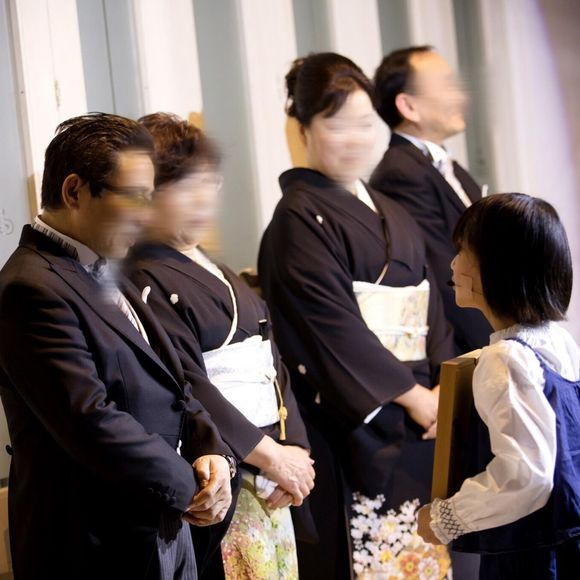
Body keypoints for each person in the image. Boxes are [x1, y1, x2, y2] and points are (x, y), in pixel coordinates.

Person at [0, 113, 236, 580]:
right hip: (95, 540)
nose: (146, 215)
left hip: (161, 519)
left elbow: (176, 383)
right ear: (74, 191)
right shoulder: (30, 286)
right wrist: (189, 485)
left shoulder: (107, 266)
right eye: (133, 197)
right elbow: (90, 421)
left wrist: (213, 454)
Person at [258, 52, 455, 579]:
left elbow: (431, 305)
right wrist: (415, 397)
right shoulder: (298, 219)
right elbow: (330, 330)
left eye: (365, 124)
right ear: (302, 129)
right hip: (362, 424)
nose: (355, 139)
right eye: (336, 125)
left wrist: (443, 388)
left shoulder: (395, 212)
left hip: (423, 417)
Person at [124, 112, 315, 580]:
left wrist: (295, 448)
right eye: (182, 186)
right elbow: (187, 385)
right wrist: (270, 455)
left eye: (208, 182)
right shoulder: (143, 278)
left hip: (273, 470)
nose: (202, 198)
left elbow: (272, 363)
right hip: (227, 469)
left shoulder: (219, 270)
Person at [417, 193, 580, 579]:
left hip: (533, 555)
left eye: (462, 250)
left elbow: (525, 475)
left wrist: (445, 518)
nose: (452, 263)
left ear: (498, 265)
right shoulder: (559, 341)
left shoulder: (505, 358)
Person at [370, 46, 492, 355]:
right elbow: (445, 276)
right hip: (465, 349)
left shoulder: (445, 166)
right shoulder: (401, 173)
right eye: (446, 85)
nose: (460, 96)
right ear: (408, 106)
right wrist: (500, 340)